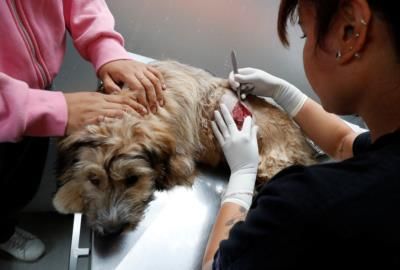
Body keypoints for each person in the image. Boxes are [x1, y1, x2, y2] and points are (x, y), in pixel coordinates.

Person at [202, 0, 400, 269]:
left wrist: (243, 175)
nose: (306, 47)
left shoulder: (303, 208)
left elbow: (217, 266)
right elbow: (345, 143)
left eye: (306, 34)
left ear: (350, 29)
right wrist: (285, 93)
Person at [0, 1, 165, 262]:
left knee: (19, 186)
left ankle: (3, 231)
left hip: (35, 96)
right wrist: (48, 108)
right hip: (19, 106)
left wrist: (106, 48)